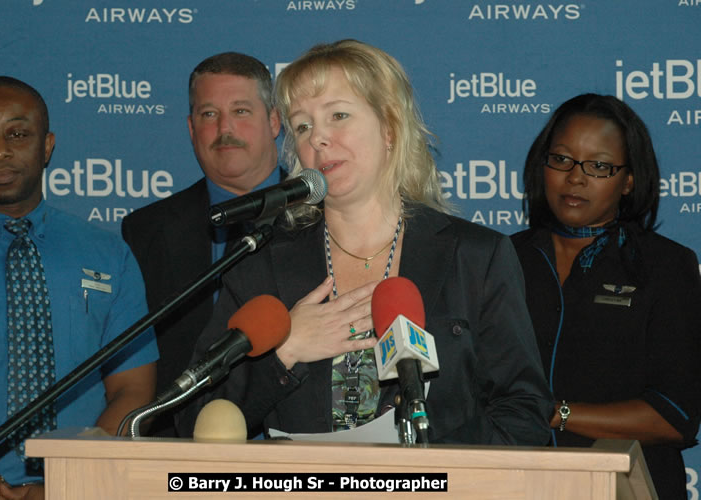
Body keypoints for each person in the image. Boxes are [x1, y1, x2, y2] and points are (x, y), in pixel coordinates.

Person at [177, 39, 553, 445]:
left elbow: (525, 413)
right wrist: (287, 351)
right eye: (303, 126)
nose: (318, 139)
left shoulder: (477, 257)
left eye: (338, 115)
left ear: (389, 128)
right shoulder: (261, 259)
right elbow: (194, 417)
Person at [0, 76, 158, 499]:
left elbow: (132, 389)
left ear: (47, 146)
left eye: (17, 133)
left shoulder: (107, 254)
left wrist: (70, 479)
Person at [511, 93, 701, 498]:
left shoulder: (665, 267)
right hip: (512, 481)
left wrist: (558, 414)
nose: (575, 177)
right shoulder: (498, 260)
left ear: (629, 180)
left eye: (598, 166)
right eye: (561, 159)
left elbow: (675, 415)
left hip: (626, 487)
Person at [121, 52, 283, 437]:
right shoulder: (145, 231)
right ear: (191, 128)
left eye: (241, 111)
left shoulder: (326, 217)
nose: (225, 128)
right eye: (209, 114)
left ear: (274, 121)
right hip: (177, 456)